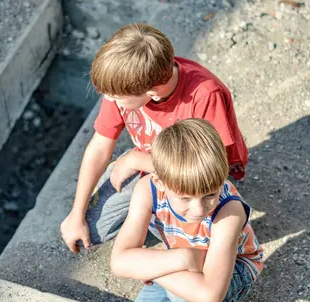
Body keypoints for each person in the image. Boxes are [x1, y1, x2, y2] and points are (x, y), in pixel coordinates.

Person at [60, 23, 248, 253]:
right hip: (151, 162)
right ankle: (154, 214)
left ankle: (164, 223)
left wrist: (135, 160)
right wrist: (76, 214)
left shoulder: (205, 95)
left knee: (193, 225)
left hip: (197, 176)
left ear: (152, 92)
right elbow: (100, 145)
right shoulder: (127, 81)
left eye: (116, 97)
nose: (109, 100)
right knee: (89, 230)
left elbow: (208, 167)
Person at [110, 119, 263, 302]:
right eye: (185, 197)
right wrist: (183, 259)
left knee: (185, 287)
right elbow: (119, 261)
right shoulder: (148, 190)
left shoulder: (228, 212)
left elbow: (211, 294)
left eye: (209, 194)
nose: (198, 208)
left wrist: (152, 268)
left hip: (233, 272)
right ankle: (176, 282)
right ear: (159, 181)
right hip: (183, 264)